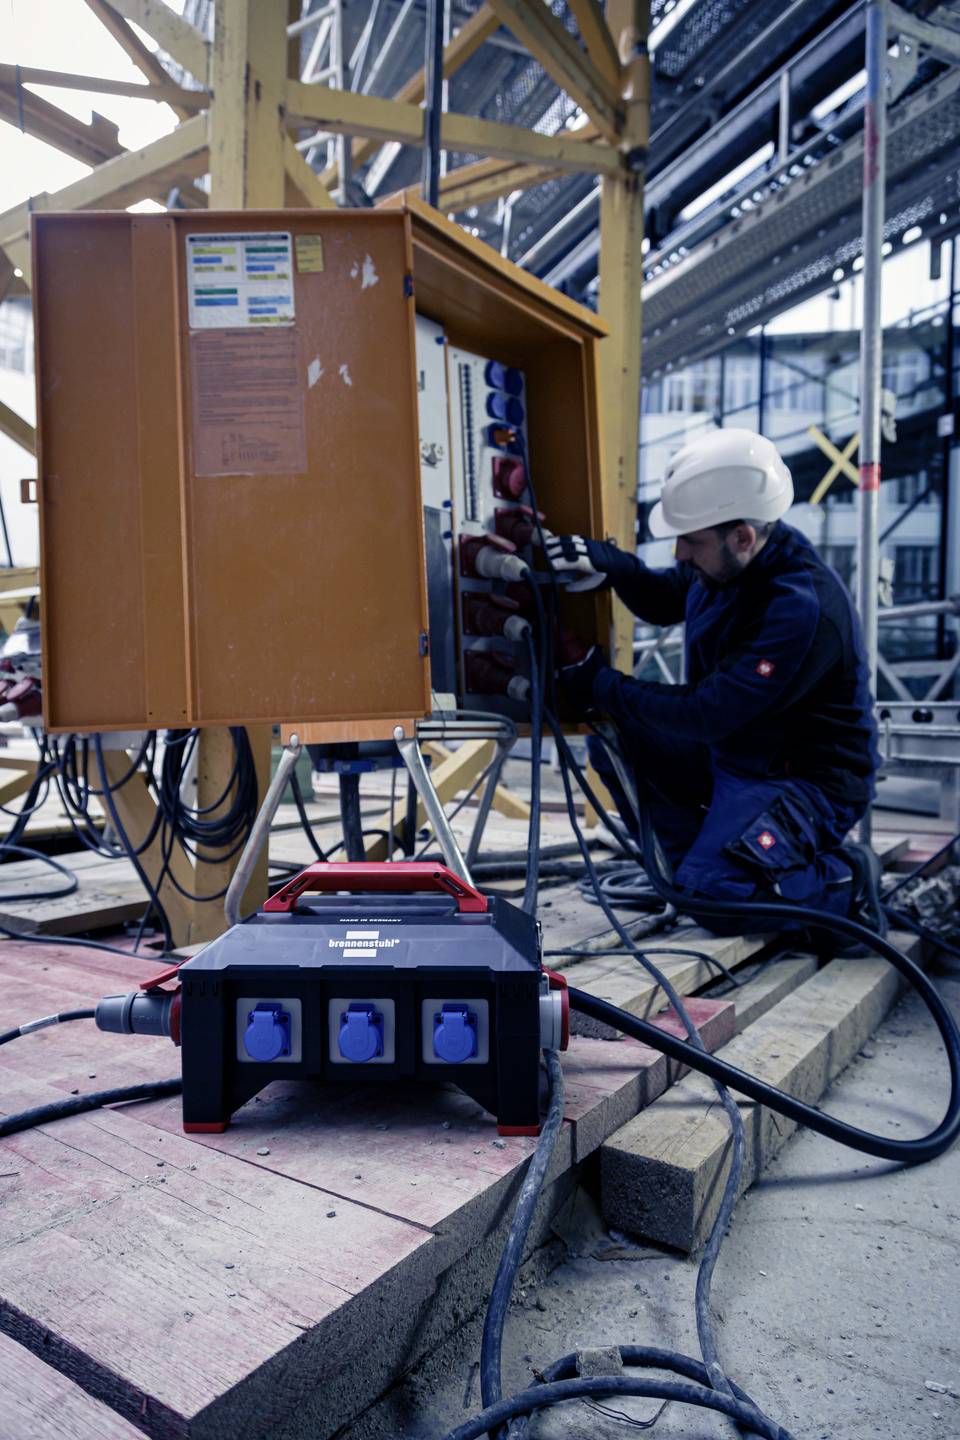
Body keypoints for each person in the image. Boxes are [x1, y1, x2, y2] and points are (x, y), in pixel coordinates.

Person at [546, 427, 884, 938]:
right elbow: (667, 597)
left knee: (716, 896)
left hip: (803, 781)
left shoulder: (799, 609)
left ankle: (844, 882)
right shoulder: (729, 563)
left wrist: (599, 681)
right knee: (612, 740)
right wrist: (614, 566)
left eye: (691, 541)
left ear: (742, 537)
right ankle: (695, 872)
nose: (680, 553)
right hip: (736, 755)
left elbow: (707, 712)